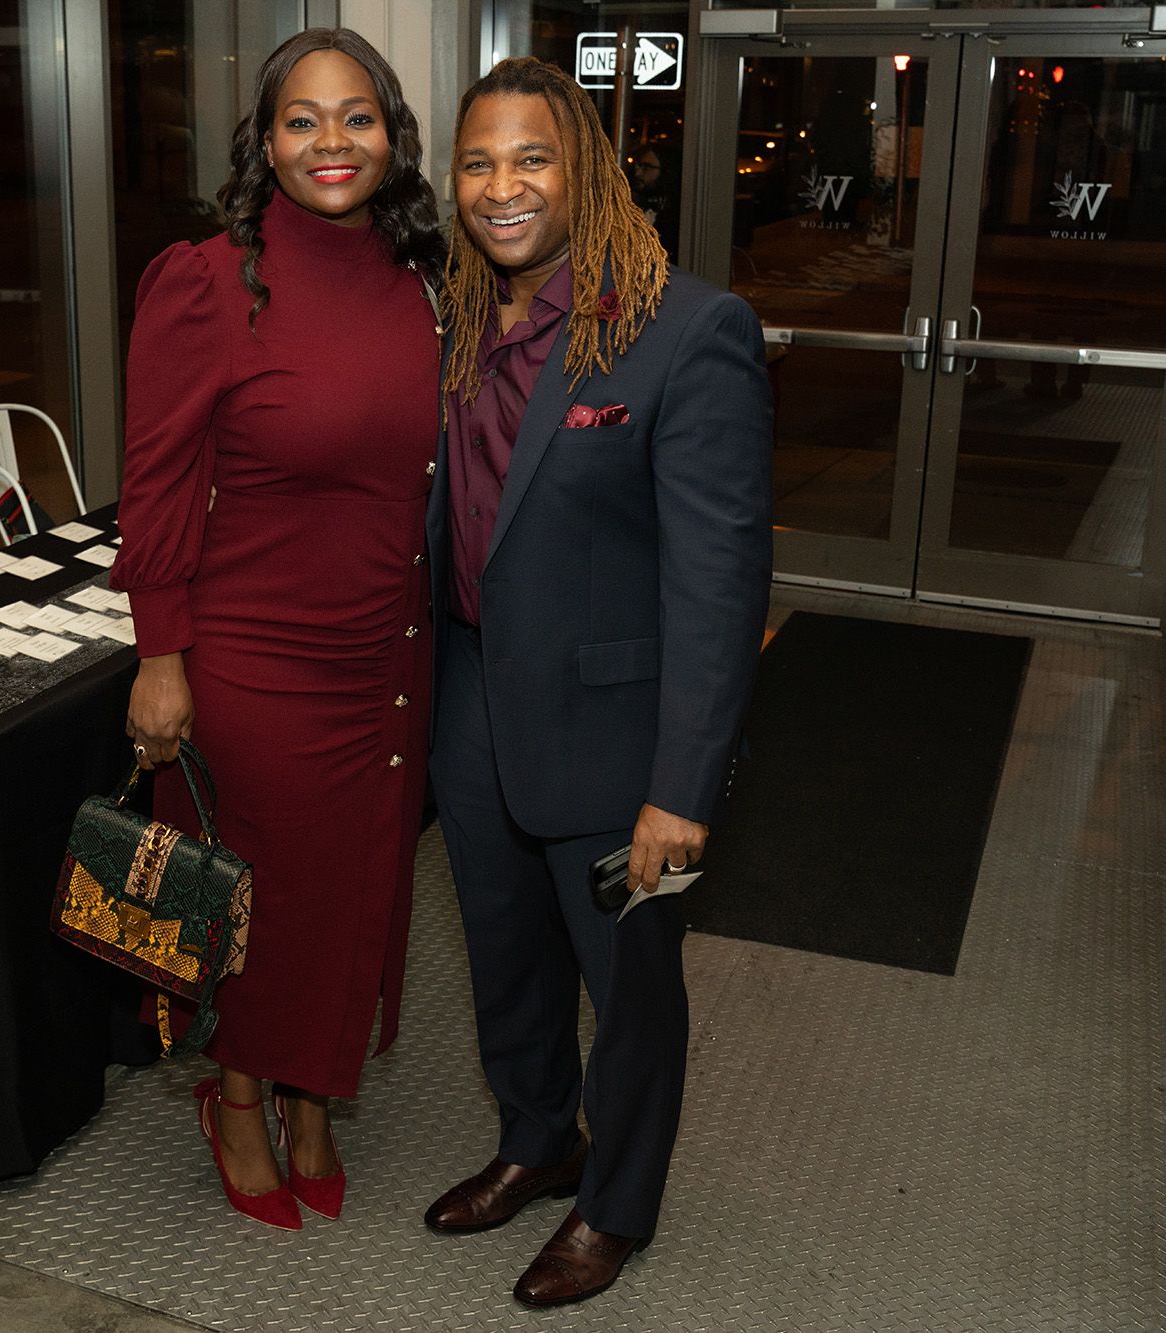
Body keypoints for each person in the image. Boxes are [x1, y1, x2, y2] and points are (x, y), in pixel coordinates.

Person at [421, 58, 773, 1306]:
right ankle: (537, 1139)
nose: (501, 186)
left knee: (627, 989)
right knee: (502, 951)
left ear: (584, 172)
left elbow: (718, 583)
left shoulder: (685, 330)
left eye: (531, 158)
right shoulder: (458, 321)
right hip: (473, 698)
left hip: (618, 734)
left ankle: (615, 1203)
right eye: (477, 162)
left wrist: (682, 784)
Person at [111, 27, 444, 1232]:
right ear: (264, 141)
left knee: (356, 890)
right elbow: (154, 485)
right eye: (301, 120)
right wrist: (160, 656)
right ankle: (240, 1099)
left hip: (385, 661)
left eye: (356, 117)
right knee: (257, 901)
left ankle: (316, 1095)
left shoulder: (423, 280)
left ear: (392, 136)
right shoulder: (207, 283)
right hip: (255, 664)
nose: (330, 142)